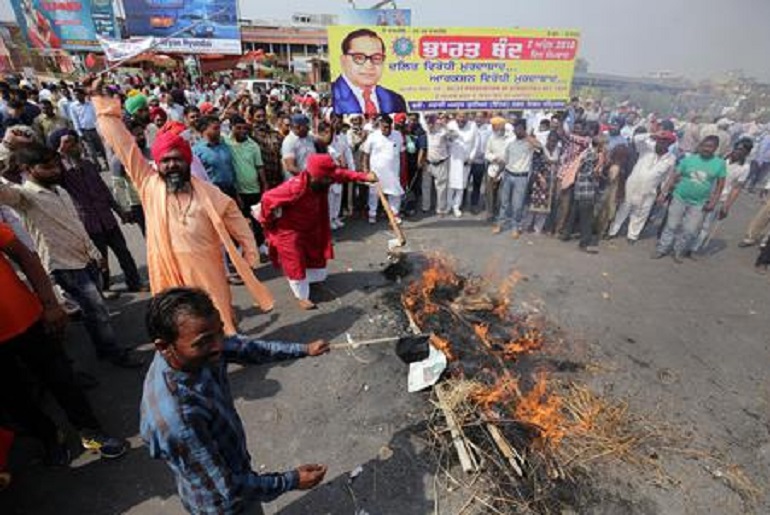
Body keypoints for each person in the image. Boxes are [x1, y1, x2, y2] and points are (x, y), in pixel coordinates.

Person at [91, 79, 273, 336]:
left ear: (188, 162)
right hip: (168, 269)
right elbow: (123, 145)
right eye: (165, 161)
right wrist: (102, 103)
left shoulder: (209, 193)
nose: (172, 165)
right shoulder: (148, 183)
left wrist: (250, 252)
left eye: (177, 159)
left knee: (218, 317)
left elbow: (236, 219)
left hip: (206, 269)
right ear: (157, 164)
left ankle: (226, 344)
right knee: (177, 323)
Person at [141, 287, 329, 515]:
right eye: (204, 341)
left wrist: (303, 349)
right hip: (222, 505)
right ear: (163, 347)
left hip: (233, 469)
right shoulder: (178, 420)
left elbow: (244, 348)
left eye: (220, 331)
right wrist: (292, 480)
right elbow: (228, 487)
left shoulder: (192, 349)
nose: (219, 346)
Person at [0, 144, 140, 367]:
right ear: (27, 169)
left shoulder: (61, 191)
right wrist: (6, 159)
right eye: (46, 167)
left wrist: (95, 254)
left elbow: (76, 225)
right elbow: (4, 193)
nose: (55, 170)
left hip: (84, 258)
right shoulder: (25, 196)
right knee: (97, 309)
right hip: (63, 265)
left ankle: (104, 348)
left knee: (94, 310)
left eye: (56, 165)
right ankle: (113, 352)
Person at [0, 222, 128, 464]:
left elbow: (26, 257)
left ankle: (90, 431)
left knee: (62, 380)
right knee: (14, 398)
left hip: (28, 321)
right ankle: (49, 436)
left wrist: (50, 303)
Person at [257, 154, 377, 309]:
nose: (329, 182)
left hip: (313, 225)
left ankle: (310, 281)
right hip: (290, 231)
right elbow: (267, 199)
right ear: (314, 176)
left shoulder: (325, 177)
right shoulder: (293, 188)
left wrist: (365, 176)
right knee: (294, 262)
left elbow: (342, 174)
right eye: (326, 179)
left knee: (316, 256)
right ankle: (301, 296)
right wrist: (268, 223)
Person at [51, 128, 144, 293]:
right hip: (88, 223)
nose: (74, 146)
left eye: (75, 141)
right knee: (99, 259)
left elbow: (104, 190)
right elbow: (51, 171)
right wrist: (59, 152)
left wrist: (120, 211)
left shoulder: (88, 165)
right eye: (68, 143)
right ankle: (105, 288)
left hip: (106, 218)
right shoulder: (61, 172)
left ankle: (134, 283)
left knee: (123, 253)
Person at [653, 135, 727, 263]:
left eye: (710, 147)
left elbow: (720, 185)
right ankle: (662, 249)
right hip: (680, 197)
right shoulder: (689, 160)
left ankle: (678, 251)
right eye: (704, 146)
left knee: (689, 230)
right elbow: (674, 177)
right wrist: (663, 193)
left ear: (715, 148)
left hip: (699, 202)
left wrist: (713, 202)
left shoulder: (719, 164)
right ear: (701, 146)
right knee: (671, 225)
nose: (706, 149)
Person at [609, 131, 677, 243]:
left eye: (664, 142)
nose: (660, 143)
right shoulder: (647, 148)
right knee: (623, 209)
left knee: (641, 213)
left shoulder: (671, 159)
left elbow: (667, 178)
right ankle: (612, 232)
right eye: (659, 140)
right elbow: (636, 139)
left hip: (649, 190)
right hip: (632, 185)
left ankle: (632, 236)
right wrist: (652, 134)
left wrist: (663, 194)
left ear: (669, 144)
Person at [693, 138, 753, 253]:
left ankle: (694, 248)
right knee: (694, 220)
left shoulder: (745, 168)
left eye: (742, 150)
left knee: (706, 225)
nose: (738, 152)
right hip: (704, 193)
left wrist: (727, 206)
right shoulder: (722, 158)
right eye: (737, 148)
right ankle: (685, 242)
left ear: (747, 153)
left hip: (720, 198)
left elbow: (736, 188)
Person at [332, 28, 407, 115]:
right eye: (359, 57)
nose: (369, 65)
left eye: (376, 58)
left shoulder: (395, 100)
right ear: (343, 61)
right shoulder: (330, 95)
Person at [225, 115, 268, 258]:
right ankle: (241, 248)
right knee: (239, 221)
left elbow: (260, 167)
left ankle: (261, 245)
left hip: (254, 189)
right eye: (238, 128)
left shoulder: (253, 145)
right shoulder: (226, 143)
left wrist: (264, 185)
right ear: (231, 128)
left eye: (244, 128)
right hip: (237, 190)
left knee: (256, 219)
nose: (242, 131)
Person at [493, 119, 541, 238]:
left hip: (521, 177)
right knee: (504, 202)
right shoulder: (510, 142)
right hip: (508, 175)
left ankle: (515, 227)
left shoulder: (529, 143)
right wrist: (497, 174)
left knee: (517, 205)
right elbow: (505, 160)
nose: (517, 131)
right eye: (516, 129)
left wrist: (527, 135)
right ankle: (500, 224)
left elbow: (540, 146)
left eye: (519, 129)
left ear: (524, 129)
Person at [362, 115, 405, 224]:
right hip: (376, 172)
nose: (386, 129)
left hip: (393, 171)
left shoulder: (398, 135)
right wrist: (365, 169)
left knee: (394, 193)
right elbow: (366, 153)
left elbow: (402, 153)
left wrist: (402, 169)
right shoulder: (373, 136)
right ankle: (372, 214)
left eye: (388, 127)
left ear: (391, 126)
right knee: (374, 193)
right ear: (380, 125)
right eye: (383, 127)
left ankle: (394, 215)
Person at [110, 120, 147, 235]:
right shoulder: (118, 160)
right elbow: (118, 187)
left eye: (142, 134)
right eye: (138, 135)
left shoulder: (149, 152)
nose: (142, 137)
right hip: (139, 205)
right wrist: (126, 210)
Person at [525, 130, 561, 234]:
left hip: (551, 182)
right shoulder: (540, 150)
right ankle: (528, 225)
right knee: (533, 205)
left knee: (545, 207)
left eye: (554, 141)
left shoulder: (558, 152)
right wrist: (540, 177)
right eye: (551, 140)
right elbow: (535, 165)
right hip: (538, 181)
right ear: (547, 139)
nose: (552, 143)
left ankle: (538, 228)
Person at [193, 116, 237, 197]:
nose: (219, 131)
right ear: (204, 129)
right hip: (212, 193)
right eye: (215, 128)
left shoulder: (224, 146)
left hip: (230, 190)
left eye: (219, 128)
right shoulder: (196, 151)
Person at [447, 113, 479, 218]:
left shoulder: (473, 125)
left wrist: (471, 158)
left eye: (463, 117)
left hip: (465, 161)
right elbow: (445, 142)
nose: (461, 119)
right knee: (450, 185)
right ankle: (448, 205)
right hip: (452, 159)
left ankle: (456, 207)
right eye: (459, 116)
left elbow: (476, 144)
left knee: (461, 186)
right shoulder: (451, 125)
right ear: (456, 117)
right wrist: (450, 139)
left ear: (467, 117)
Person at [69, 88, 107, 169]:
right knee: (91, 151)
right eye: (75, 95)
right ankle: (97, 166)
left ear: (83, 95)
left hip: (96, 129)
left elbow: (97, 116)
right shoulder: (73, 107)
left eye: (78, 94)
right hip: (85, 131)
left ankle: (106, 162)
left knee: (101, 148)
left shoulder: (91, 104)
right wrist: (79, 133)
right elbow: (75, 120)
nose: (77, 96)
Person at [252, 106, 285, 190]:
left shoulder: (275, 134)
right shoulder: (251, 135)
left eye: (263, 116)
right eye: (258, 116)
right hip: (260, 180)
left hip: (277, 177)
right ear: (252, 118)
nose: (262, 119)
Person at [483, 116, 509, 220]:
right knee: (490, 192)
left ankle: (501, 214)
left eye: (501, 126)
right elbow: (487, 154)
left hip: (506, 169)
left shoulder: (509, 138)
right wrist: (495, 158)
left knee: (502, 194)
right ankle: (490, 213)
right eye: (496, 127)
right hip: (493, 168)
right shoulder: (491, 138)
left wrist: (505, 160)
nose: (499, 129)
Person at [281, 114, 316, 180]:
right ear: (298, 127)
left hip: (311, 179)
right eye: (306, 126)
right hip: (298, 181)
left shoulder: (309, 137)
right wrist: (308, 176)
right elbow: (290, 167)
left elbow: (325, 141)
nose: (309, 128)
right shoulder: (289, 141)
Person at [469, 112, 491, 213]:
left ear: (484, 118)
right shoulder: (470, 127)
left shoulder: (488, 129)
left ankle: (475, 204)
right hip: (469, 160)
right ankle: (460, 204)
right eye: (476, 117)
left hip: (481, 161)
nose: (478, 119)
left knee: (477, 184)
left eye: (480, 117)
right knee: (464, 183)